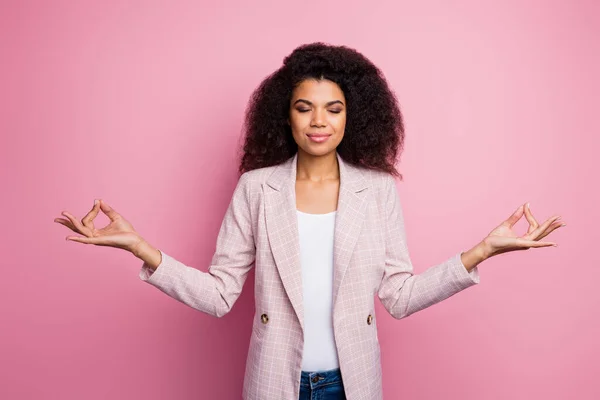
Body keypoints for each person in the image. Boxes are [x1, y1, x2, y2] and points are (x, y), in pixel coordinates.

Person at [54, 42, 565, 400]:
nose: (319, 121)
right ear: (287, 115)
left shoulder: (376, 190)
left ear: (354, 117)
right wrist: (142, 249)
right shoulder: (257, 188)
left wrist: (481, 252)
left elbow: (400, 296)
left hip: (353, 384)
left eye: (333, 108)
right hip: (275, 383)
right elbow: (218, 295)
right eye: (305, 107)